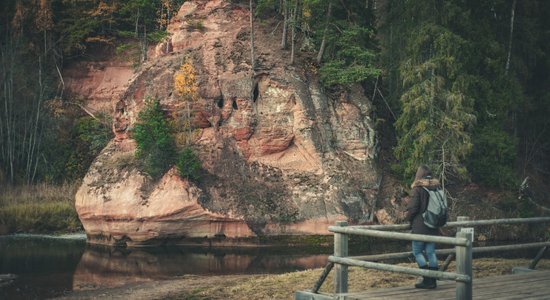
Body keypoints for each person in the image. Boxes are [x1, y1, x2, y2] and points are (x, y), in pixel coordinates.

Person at [406, 165, 440, 289]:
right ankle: (433, 280)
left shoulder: (418, 189)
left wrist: (407, 219)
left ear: (419, 174)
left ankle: (427, 279)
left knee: (417, 252)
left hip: (420, 226)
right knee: (431, 252)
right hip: (433, 225)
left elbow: (413, 208)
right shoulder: (436, 187)